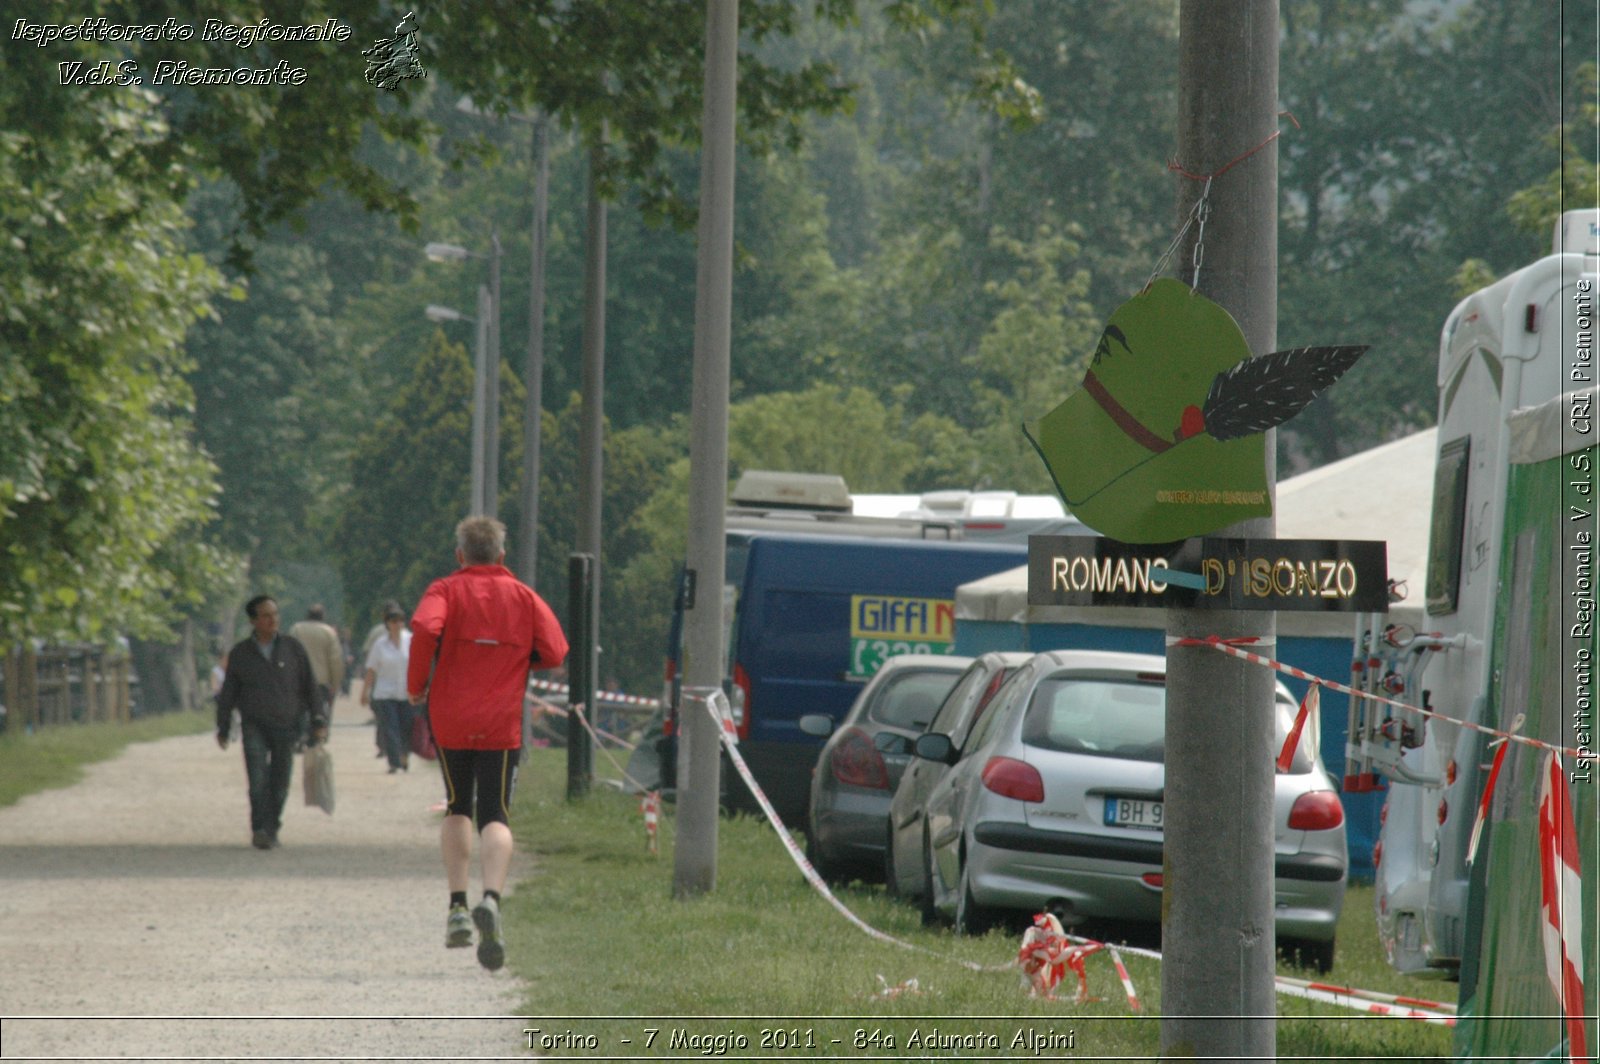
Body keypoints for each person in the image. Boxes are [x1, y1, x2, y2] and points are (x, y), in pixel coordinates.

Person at [408, 516, 568, 970]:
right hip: (500, 721)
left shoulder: (443, 590)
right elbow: (556, 651)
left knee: (458, 805)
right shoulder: (524, 596)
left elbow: (424, 630)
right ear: (501, 555)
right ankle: (492, 898)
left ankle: (457, 905)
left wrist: (417, 683)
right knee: (495, 813)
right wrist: (518, 658)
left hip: (452, 717)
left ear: (460, 555)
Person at [216, 595, 326, 849]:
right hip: (253, 724)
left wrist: (318, 718)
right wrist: (223, 726)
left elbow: (309, 686)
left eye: (275, 614)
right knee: (257, 781)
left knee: (279, 782)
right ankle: (258, 828)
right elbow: (228, 693)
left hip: (286, 724)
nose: (272, 620)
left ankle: (272, 825)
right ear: (253, 621)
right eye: (265, 615)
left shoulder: (293, 648)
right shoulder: (241, 654)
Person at [361, 604, 414, 773]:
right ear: (387, 624)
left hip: (407, 692)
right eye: (394, 621)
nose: (398, 624)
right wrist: (365, 691)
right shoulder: (380, 644)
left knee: (406, 728)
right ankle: (394, 762)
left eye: (400, 621)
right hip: (385, 693)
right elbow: (372, 669)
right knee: (391, 728)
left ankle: (404, 754)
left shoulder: (411, 640)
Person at [290, 604, 344, 728]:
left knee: (300, 711)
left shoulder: (296, 629)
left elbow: (288, 653)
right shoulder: (329, 632)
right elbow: (335, 660)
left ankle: (300, 736)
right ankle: (318, 738)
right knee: (321, 711)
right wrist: (335, 684)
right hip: (321, 681)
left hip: (300, 680)